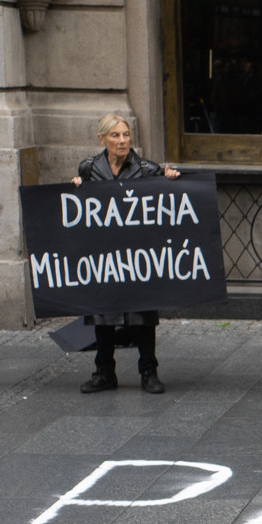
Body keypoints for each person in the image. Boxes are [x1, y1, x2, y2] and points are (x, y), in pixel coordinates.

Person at [71, 113, 180, 395]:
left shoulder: (145, 168)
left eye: (126, 135)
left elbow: (167, 201)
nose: (122, 141)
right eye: (115, 135)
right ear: (102, 139)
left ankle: (148, 371)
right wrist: (75, 189)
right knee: (103, 314)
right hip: (104, 255)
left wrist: (170, 177)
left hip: (137, 255)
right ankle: (104, 371)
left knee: (143, 312)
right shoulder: (89, 168)